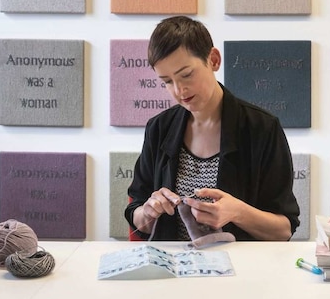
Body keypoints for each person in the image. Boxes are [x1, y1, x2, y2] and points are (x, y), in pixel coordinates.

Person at [125, 16, 300, 241]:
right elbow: (137, 214)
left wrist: (237, 212)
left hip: (239, 270)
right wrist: (147, 213)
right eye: (167, 81)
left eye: (186, 74)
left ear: (214, 60)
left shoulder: (262, 128)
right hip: (172, 269)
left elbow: (284, 229)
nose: (179, 90)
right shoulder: (159, 128)